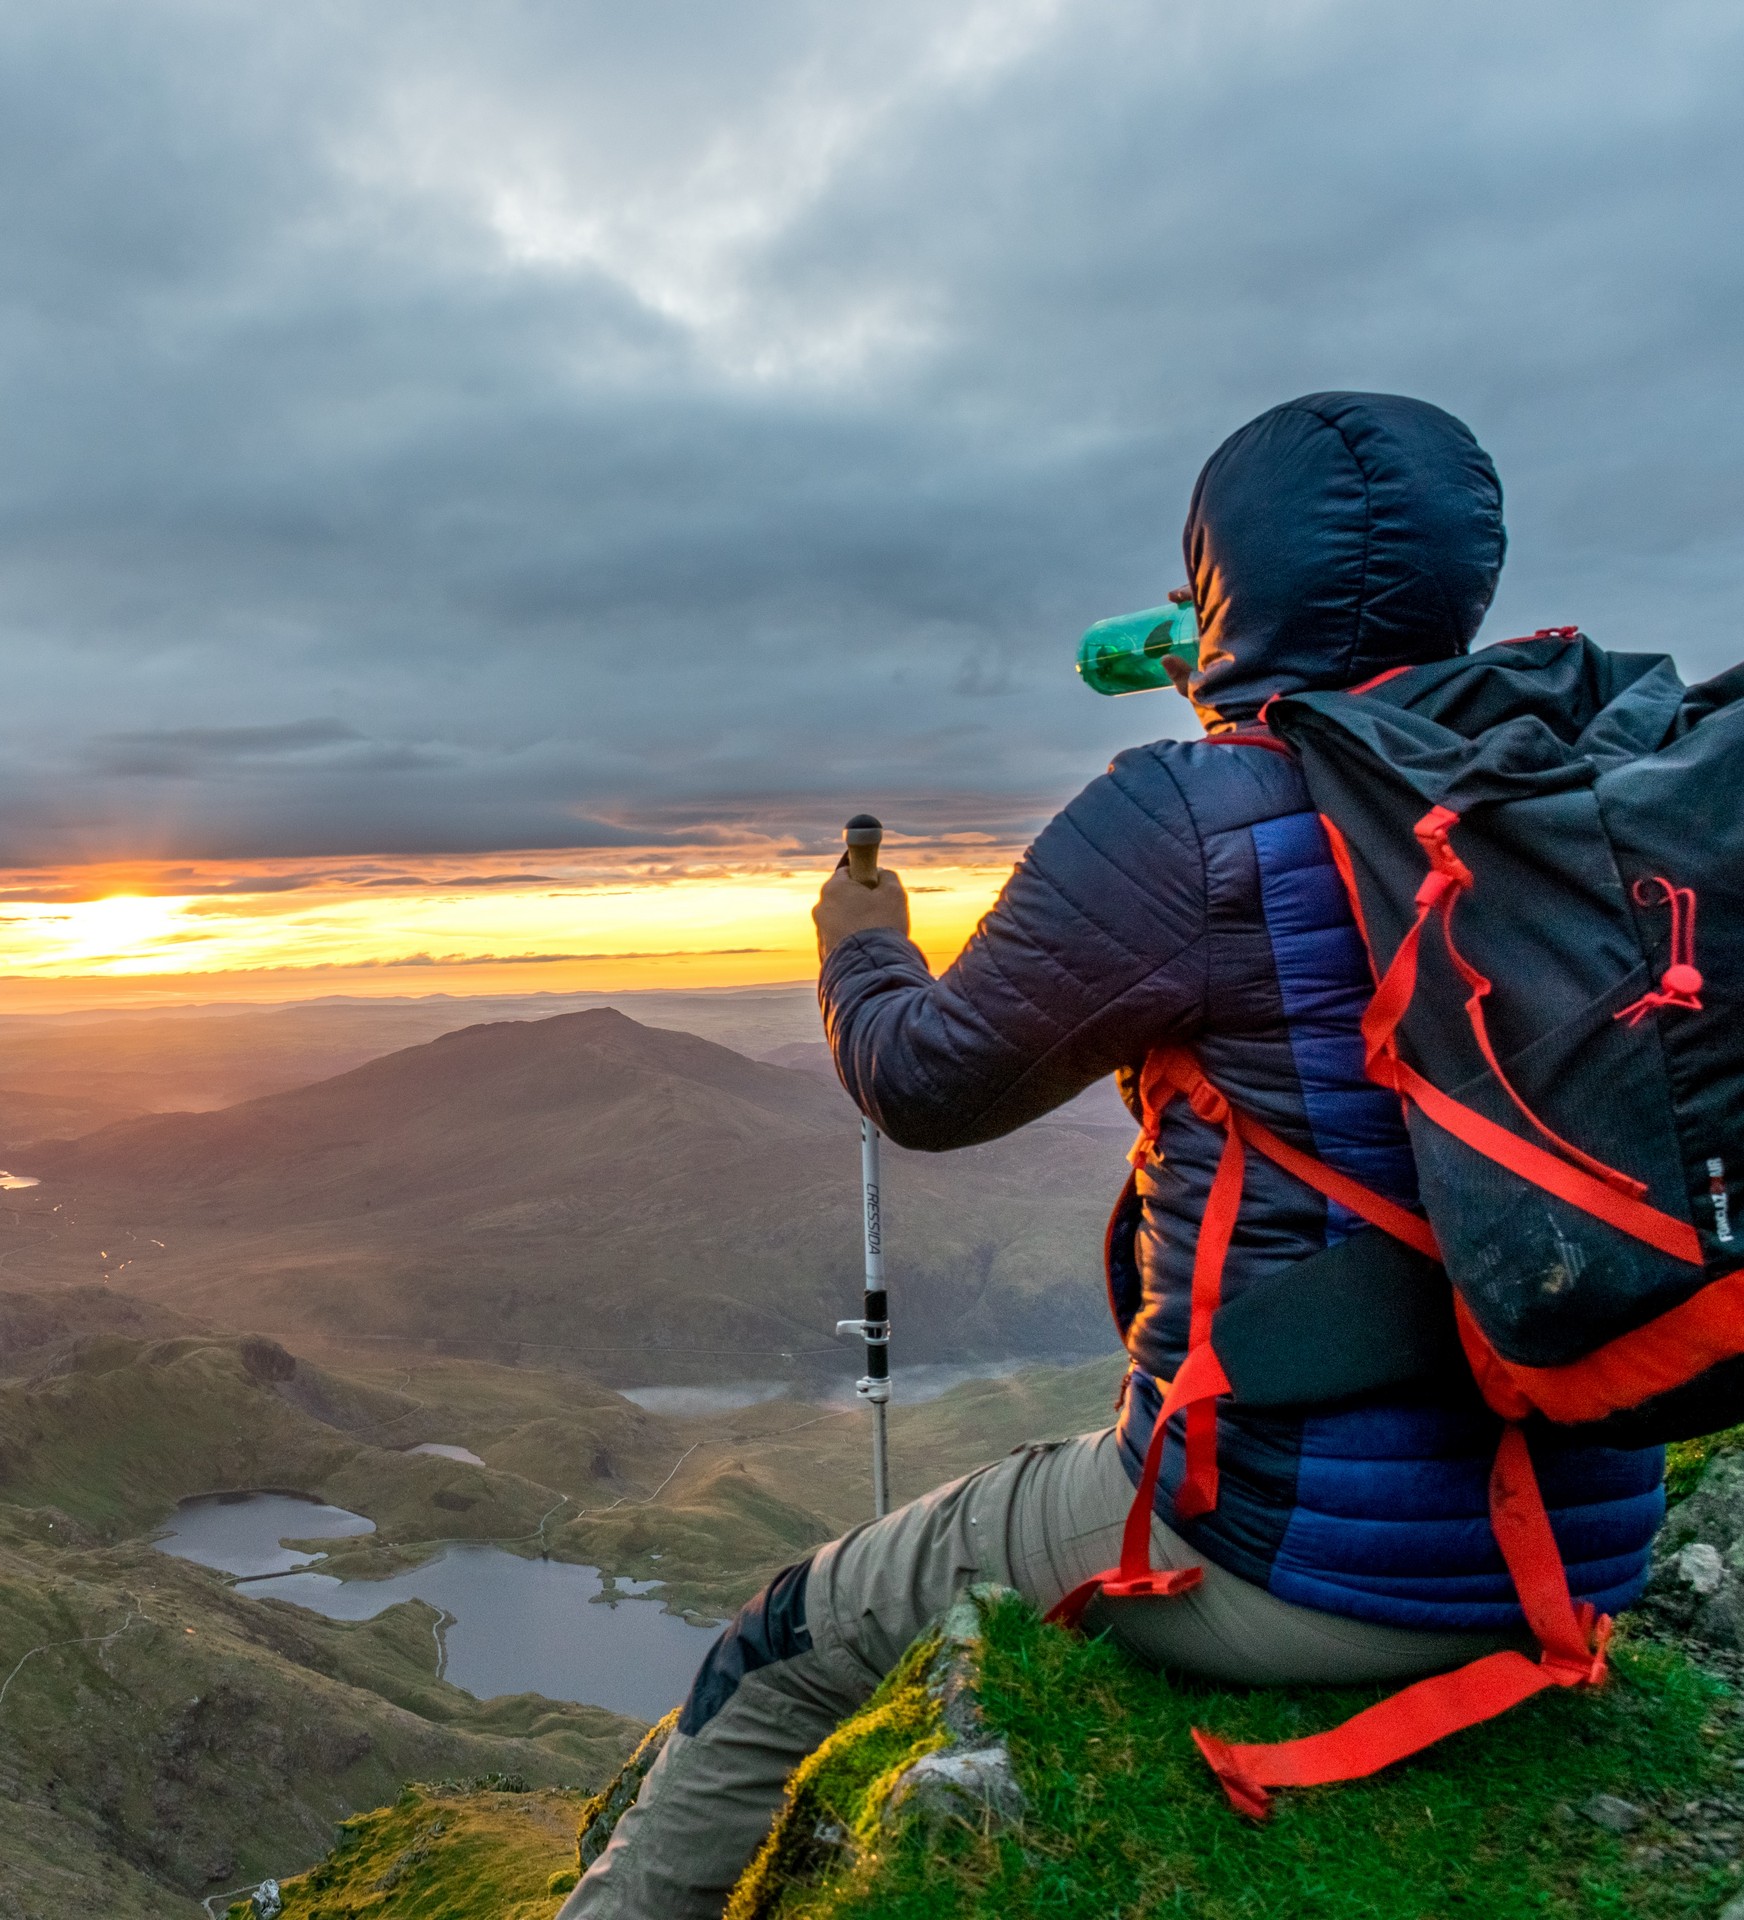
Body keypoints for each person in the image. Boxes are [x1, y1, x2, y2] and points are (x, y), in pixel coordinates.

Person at [557, 392, 1666, 1919]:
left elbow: (927, 1083)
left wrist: (860, 948)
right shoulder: (1598, 796)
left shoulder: (1193, 815)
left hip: (1290, 1560)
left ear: (1223, 583)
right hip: (1594, 1533)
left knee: (790, 1629)